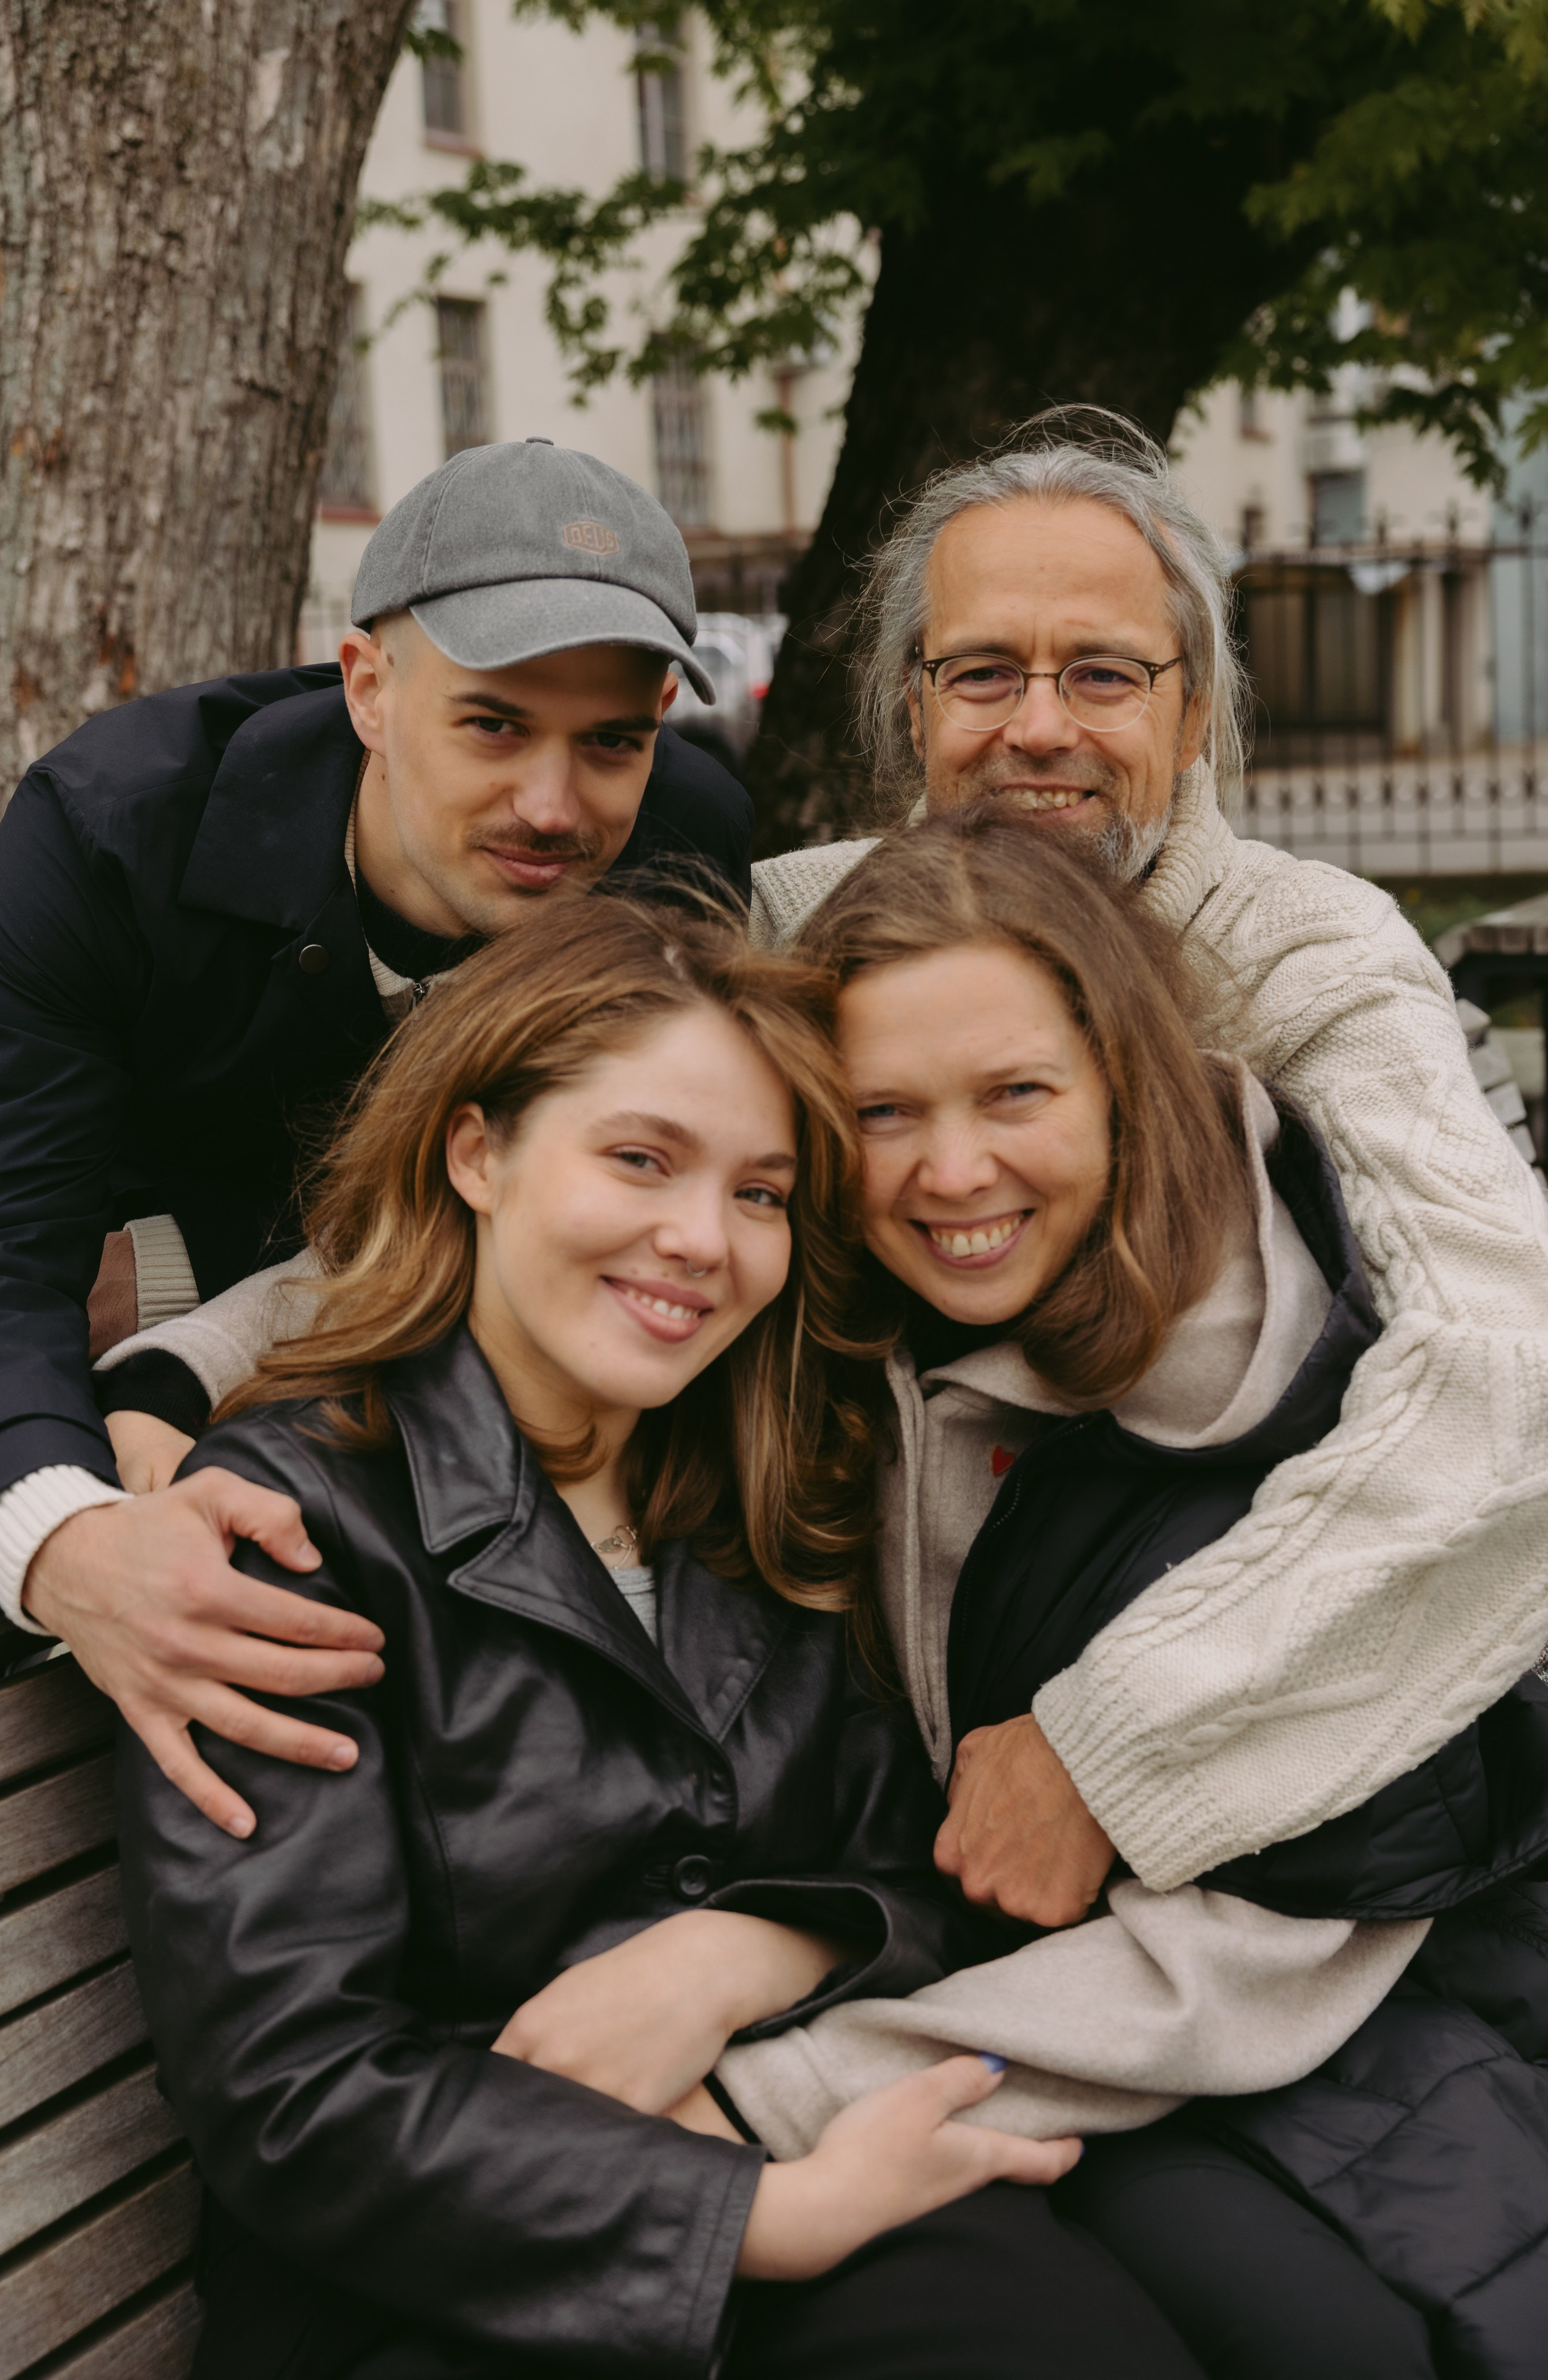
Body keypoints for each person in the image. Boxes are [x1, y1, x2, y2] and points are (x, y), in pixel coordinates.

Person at [117, 893, 1202, 2380]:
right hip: (429, 2271)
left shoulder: (763, 1490)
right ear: (477, 1153)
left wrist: (739, 1950)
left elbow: (916, 1870)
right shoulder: (288, 1529)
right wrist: (763, 2218)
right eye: (639, 1160)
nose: (700, 1241)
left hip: (753, 2117)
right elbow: (293, 2087)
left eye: (759, 1194)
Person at [708, 811, 1548, 2378]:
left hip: (1333, 2019)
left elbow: (1260, 1954)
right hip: (1021, 2007)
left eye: (1015, 1094)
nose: (952, 1169)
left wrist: (788, 2094)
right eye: (883, 1111)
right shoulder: (829, 1328)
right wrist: (201, 1393)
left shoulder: (1312, 1446)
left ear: (1123, 1082)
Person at [745, 407, 1548, 1924]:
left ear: (1193, 719)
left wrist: (1113, 1743)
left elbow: (1508, 1382)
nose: (1036, 726)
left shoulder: (1308, 956)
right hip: (854, 1813)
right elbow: (527, 1193)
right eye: (981, 672)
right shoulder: (798, 930)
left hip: (1270, 1871)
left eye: (1102, 674)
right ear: (912, 706)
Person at [0, 436, 752, 1836]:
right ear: (369, 689)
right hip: (128, 1338)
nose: (554, 806)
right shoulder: (114, 832)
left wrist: (181, 1321)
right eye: (494, 724)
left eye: (612, 741)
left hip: (417, 1364)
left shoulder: (684, 850)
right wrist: (66, 1543)